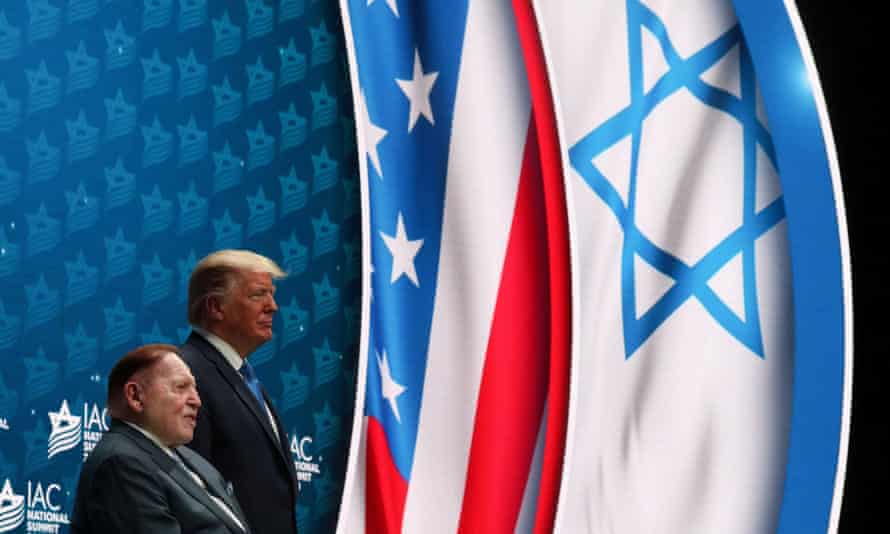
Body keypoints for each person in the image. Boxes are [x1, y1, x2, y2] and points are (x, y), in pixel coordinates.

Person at [70, 344, 251, 534]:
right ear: (136, 396)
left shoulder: (195, 461)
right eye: (181, 387)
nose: (196, 401)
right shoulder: (121, 463)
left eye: (195, 389)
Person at [179, 249, 299, 534]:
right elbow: (188, 493)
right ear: (215, 307)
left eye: (272, 294)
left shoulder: (244, 377)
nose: (273, 307)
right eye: (258, 295)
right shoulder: (186, 373)